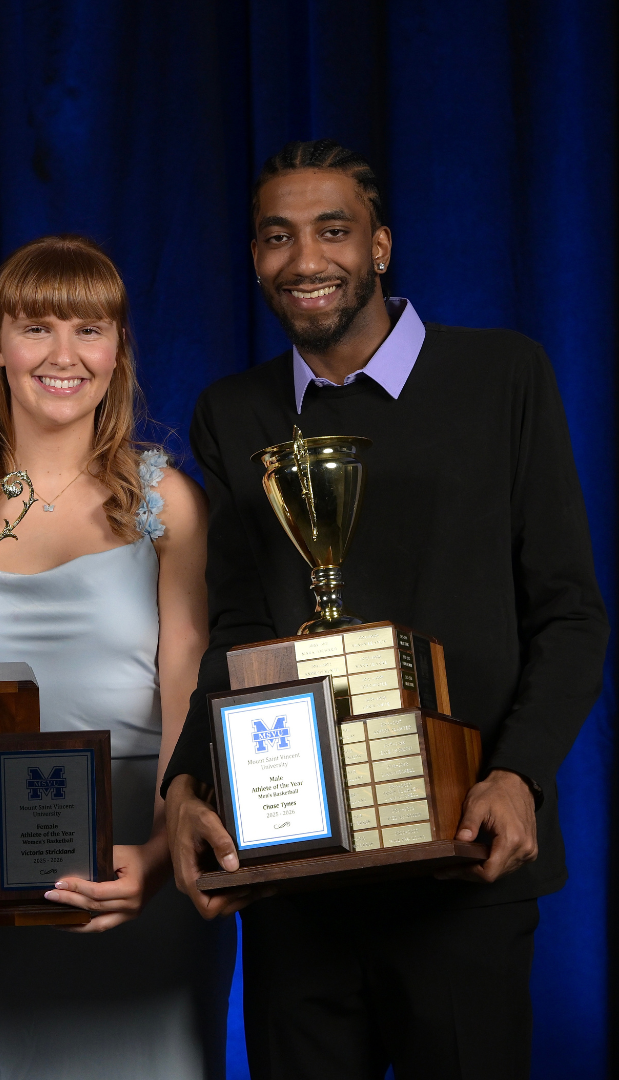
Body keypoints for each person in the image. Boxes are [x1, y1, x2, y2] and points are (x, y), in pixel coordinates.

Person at [162, 140, 609, 1080]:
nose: (306, 260)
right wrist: (185, 786)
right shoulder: (232, 413)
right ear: (254, 259)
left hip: (465, 859)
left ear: (381, 247)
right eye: (277, 237)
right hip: (296, 874)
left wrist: (519, 774)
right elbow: (235, 628)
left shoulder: (503, 377)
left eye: (334, 230)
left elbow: (570, 614)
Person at [0, 235, 237, 1079]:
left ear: (118, 353)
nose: (64, 354)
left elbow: (188, 685)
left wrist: (159, 853)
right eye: (37, 327)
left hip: (146, 837)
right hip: (0, 866)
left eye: (91, 329)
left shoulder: (169, 503)